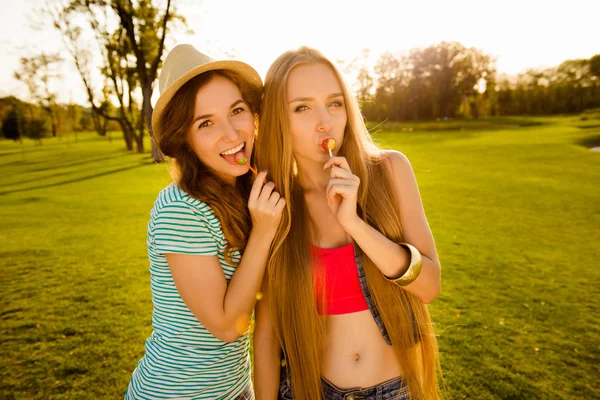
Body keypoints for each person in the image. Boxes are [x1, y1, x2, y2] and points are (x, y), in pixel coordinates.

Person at [253, 47, 441, 400]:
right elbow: (266, 334)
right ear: (279, 120)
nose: (324, 121)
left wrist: (355, 224)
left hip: (395, 392)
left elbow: (429, 286)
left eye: (335, 103)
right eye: (302, 107)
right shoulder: (276, 207)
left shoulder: (390, 171)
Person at [125, 44, 285, 400]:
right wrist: (263, 231)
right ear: (184, 137)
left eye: (237, 111)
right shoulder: (180, 209)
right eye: (206, 123)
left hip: (234, 389)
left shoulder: (246, 192)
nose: (231, 134)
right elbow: (228, 326)